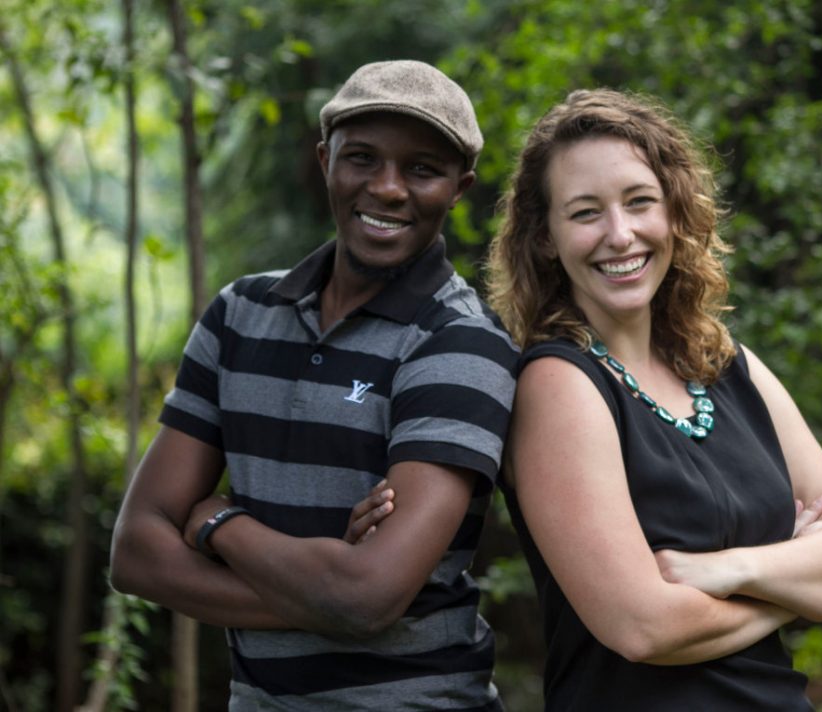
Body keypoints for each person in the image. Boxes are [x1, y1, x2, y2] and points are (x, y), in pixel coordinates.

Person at [110, 60, 518, 710]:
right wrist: (326, 592)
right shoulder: (240, 315)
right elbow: (135, 554)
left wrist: (218, 522)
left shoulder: (461, 342)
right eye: (362, 158)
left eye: (422, 168)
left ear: (459, 187)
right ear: (326, 159)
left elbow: (366, 598)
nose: (387, 189)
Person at [484, 89, 822, 710]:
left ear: (674, 213)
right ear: (544, 238)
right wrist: (798, 581)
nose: (621, 235)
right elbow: (642, 628)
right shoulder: (559, 385)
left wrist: (733, 570)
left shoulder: (731, 368)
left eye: (640, 202)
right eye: (586, 213)